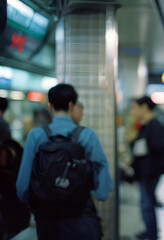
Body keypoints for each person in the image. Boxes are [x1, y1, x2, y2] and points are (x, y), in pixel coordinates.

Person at [16, 83, 114, 240]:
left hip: (46, 220)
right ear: (71, 105)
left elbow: (22, 186)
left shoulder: (36, 135)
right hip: (78, 216)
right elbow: (102, 186)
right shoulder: (87, 135)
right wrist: (99, 193)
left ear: (50, 106)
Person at [129, 96, 164, 240]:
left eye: (134, 107)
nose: (132, 111)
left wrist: (141, 144)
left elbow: (157, 148)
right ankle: (149, 232)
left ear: (143, 107)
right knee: (147, 203)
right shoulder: (146, 124)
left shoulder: (154, 125)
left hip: (149, 171)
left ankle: (151, 235)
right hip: (146, 171)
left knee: (147, 204)